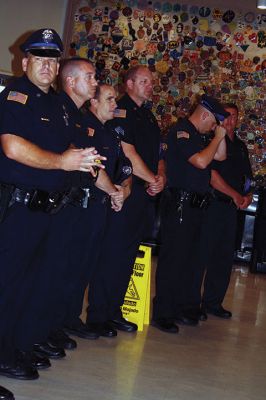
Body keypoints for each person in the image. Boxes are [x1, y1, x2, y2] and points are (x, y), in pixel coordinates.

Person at [0, 29, 102, 394]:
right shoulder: (16, 97)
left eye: (52, 60)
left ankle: (8, 351)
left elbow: (66, 146)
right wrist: (62, 161)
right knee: (6, 285)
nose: (46, 66)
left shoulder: (56, 105)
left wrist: (81, 158)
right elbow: (12, 147)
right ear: (24, 62)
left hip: (46, 211)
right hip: (18, 209)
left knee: (25, 287)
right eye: (39, 59)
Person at [52, 60, 131, 341]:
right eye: (109, 98)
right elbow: (93, 169)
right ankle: (56, 323)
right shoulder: (84, 125)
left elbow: (124, 168)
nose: (114, 103)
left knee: (84, 266)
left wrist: (123, 188)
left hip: (99, 208)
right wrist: (113, 191)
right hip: (81, 205)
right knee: (68, 267)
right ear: (94, 103)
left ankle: (70, 318)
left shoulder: (110, 132)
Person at [86, 65, 166, 336]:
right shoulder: (121, 111)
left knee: (128, 256)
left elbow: (159, 153)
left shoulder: (148, 116)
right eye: (143, 81)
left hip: (142, 193)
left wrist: (159, 177)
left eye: (151, 82)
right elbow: (128, 153)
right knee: (112, 254)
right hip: (125, 192)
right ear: (129, 84)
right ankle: (98, 315)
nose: (149, 85)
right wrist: (153, 178)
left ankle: (115, 311)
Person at [152, 95, 229, 333]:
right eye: (213, 121)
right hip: (180, 205)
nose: (213, 127)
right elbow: (201, 162)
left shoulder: (199, 134)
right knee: (173, 260)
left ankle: (179, 308)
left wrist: (220, 134)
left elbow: (221, 156)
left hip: (196, 207)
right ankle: (163, 312)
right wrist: (217, 137)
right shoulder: (182, 131)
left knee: (189, 261)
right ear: (205, 115)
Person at [197, 103, 253, 319]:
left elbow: (247, 177)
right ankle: (194, 303)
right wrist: (234, 195)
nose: (230, 121)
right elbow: (212, 176)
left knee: (223, 258)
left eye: (234, 117)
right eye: (227, 117)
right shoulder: (212, 141)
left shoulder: (239, 146)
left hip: (232, 209)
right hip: (214, 205)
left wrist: (247, 195)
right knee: (204, 254)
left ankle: (213, 302)